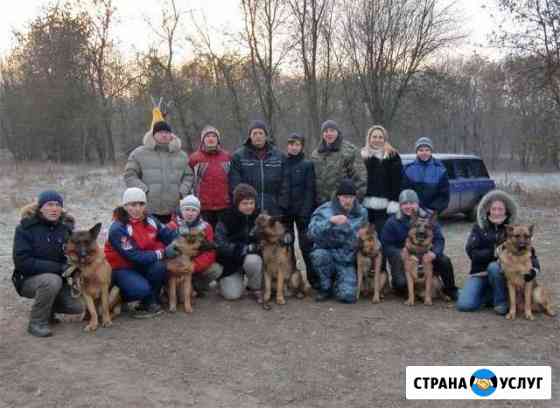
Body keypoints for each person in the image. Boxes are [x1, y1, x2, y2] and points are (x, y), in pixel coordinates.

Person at [12, 190, 83, 337]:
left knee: (79, 306)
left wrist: (76, 268)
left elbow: (72, 255)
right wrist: (59, 268)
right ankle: (37, 322)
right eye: (49, 204)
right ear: (40, 208)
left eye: (57, 205)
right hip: (28, 280)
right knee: (51, 281)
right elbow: (22, 262)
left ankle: (48, 309)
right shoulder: (25, 229)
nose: (54, 208)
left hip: (60, 279)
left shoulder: (65, 229)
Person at [457, 190, 540, 314]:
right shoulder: (478, 228)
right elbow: (472, 253)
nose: (496, 212)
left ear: (506, 211)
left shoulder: (515, 230)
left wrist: (534, 270)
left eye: (500, 209)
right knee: (465, 305)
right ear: (488, 210)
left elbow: (530, 254)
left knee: (494, 267)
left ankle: (500, 302)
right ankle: (488, 296)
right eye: (493, 209)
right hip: (480, 273)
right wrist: (494, 252)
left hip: (502, 275)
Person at [104, 187, 176, 318]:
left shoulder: (150, 220)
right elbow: (134, 256)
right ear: (125, 205)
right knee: (140, 289)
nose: (137, 208)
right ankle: (121, 296)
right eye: (133, 204)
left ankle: (149, 302)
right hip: (121, 268)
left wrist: (181, 238)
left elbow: (168, 235)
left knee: (160, 266)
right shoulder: (118, 228)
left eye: (141, 204)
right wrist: (163, 253)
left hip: (142, 263)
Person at [380, 189, 458, 300]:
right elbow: (386, 245)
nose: (408, 206)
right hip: (405, 259)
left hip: (426, 255)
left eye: (412, 203)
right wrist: (400, 253)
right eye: (405, 203)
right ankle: (403, 287)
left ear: (417, 203)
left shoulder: (428, 217)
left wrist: (434, 253)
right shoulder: (392, 222)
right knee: (401, 284)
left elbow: (439, 240)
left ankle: (450, 290)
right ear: (400, 205)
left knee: (444, 260)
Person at [308, 179, 368, 303]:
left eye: (351, 197)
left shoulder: (362, 212)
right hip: (327, 254)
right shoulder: (324, 210)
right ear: (338, 196)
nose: (348, 200)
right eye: (345, 197)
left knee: (348, 297)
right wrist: (330, 221)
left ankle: (339, 282)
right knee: (318, 255)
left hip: (346, 260)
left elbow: (365, 235)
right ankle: (325, 287)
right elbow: (311, 233)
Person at [124, 120, 193, 224]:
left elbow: (188, 176)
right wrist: (144, 191)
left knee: (172, 238)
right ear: (153, 134)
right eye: (160, 132)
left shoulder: (181, 155)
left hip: (175, 208)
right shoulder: (139, 153)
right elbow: (130, 175)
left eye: (167, 132)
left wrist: (182, 192)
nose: (164, 135)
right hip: (148, 209)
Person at [361, 125, 402, 275]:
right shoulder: (363, 156)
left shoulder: (392, 156)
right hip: (365, 206)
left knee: (382, 242)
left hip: (385, 207)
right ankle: (367, 276)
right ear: (369, 138)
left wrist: (394, 203)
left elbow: (397, 182)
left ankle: (382, 274)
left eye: (380, 137)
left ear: (385, 139)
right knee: (366, 241)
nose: (377, 140)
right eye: (374, 136)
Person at [279, 132, 318, 288]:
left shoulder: (307, 164)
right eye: (291, 144)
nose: (294, 147)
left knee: (306, 246)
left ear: (302, 147)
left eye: (297, 144)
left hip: (303, 212)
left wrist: (305, 211)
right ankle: (291, 280)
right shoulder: (282, 162)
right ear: (287, 146)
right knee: (287, 246)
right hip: (286, 211)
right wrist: (281, 207)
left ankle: (314, 281)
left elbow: (310, 189)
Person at [164, 195, 223, 296]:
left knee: (216, 269)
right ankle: (171, 288)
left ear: (198, 212)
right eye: (187, 209)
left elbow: (210, 253)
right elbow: (165, 251)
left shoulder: (206, 227)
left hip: (194, 265)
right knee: (181, 296)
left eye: (193, 210)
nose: (190, 213)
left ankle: (196, 285)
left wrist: (193, 266)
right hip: (177, 267)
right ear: (181, 210)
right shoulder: (171, 226)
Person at [215, 183, 264, 302]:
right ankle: (225, 281)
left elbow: (268, 237)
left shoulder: (260, 216)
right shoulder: (226, 217)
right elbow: (220, 245)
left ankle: (255, 287)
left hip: (251, 259)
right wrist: (243, 249)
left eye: (251, 203)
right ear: (237, 203)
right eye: (245, 203)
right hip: (230, 263)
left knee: (254, 261)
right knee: (232, 295)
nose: (249, 206)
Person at [229, 120, 284, 216]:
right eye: (254, 133)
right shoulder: (239, 156)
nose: (258, 136)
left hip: (273, 208)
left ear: (266, 136)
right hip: (249, 209)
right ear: (250, 136)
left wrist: (281, 204)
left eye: (261, 133)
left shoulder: (279, 156)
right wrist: (242, 204)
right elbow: (235, 184)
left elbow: (285, 183)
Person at [310, 119, 367, 205]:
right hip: (320, 205)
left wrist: (354, 203)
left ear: (338, 132)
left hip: (343, 205)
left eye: (332, 131)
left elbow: (361, 180)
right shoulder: (316, 154)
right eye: (325, 131)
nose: (329, 134)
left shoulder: (350, 151)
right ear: (322, 134)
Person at [188, 125, 232, 229]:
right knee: (205, 236)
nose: (211, 139)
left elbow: (232, 179)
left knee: (222, 235)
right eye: (207, 136)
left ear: (218, 140)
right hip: (203, 206)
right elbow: (189, 180)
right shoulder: (195, 158)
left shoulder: (227, 157)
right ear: (203, 140)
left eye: (214, 136)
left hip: (224, 205)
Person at [402, 137, 450, 215]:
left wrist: (433, 210)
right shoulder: (408, 170)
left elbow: (444, 195)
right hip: (412, 212)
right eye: (421, 150)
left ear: (431, 151)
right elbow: (405, 193)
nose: (424, 153)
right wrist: (414, 208)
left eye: (427, 150)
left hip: (432, 214)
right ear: (416, 152)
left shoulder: (440, 170)